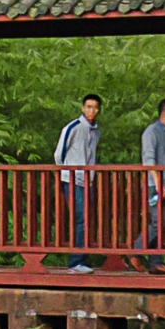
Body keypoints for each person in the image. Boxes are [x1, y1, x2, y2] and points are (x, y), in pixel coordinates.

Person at [53, 92, 103, 268]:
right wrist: (65, 171)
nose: (92, 110)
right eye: (89, 106)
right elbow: (59, 153)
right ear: (83, 108)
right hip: (72, 179)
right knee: (80, 218)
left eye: (95, 107)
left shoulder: (96, 131)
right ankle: (76, 261)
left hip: (86, 180)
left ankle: (81, 258)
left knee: (86, 218)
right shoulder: (73, 127)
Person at [138, 94, 165, 263]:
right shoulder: (151, 132)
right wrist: (158, 186)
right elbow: (148, 161)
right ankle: (134, 251)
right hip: (154, 185)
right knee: (158, 222)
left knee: (163, 223)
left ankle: (156, 262)